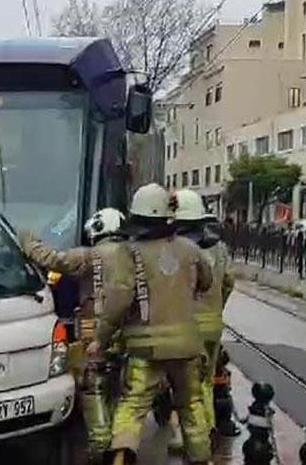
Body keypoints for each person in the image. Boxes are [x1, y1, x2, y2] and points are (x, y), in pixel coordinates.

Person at [89, 183, 213, 465]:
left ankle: (121, 458)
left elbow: (119, 300)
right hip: (187, 346)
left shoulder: (129, 252)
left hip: (145, 349)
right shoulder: (190, 249)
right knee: (191, 405)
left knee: (133, 406)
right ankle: (201, 458)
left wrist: (101, 338)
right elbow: (206, 282)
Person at [20, 208, 133, 461]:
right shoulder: (134, 254)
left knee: (93, 386)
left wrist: (28, 240)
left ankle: (101, 443)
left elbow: (50, 259)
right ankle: (121, 442)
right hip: (128, 332)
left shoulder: (88, 255)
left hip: (94, 332)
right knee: (120, 388)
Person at [174, 190, 237, 438]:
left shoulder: (178, 249)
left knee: (188, 386)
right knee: (207, 382)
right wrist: (217, 307)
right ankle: (209, 428)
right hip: (213, 326)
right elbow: (229, 281)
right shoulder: (219, 248)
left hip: (188, 327)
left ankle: (195, 435)